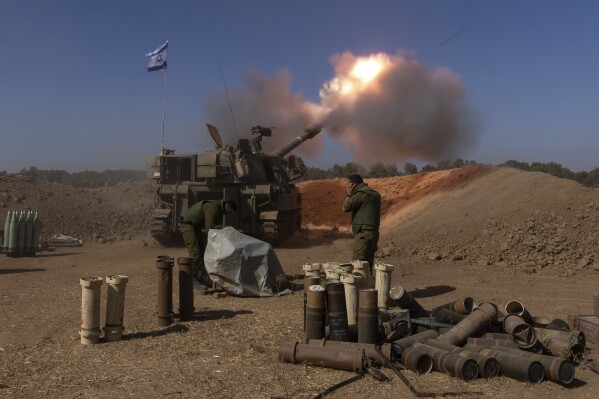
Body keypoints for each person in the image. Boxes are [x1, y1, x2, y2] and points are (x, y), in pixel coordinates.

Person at [179, 199, 237, 288]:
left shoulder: (217, 209)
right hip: (188, 226)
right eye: (231, 211)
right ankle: (193, 280)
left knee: (201, 252)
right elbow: (210, 228)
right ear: (227, 206)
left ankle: (200, 276)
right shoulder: (212, 207)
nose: (229, 214)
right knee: (196, 253)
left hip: (195, 227)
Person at [342, 174, 381, 281]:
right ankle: (369, 290)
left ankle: (358, 291)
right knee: (368, 264)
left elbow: (345, 207)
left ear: (353, 184)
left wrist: (349, 194)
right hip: (374, 233)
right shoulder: (374, 194)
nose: (348, 186)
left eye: (348, 184)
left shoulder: (361, 194)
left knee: (357, 264)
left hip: (363, 234)